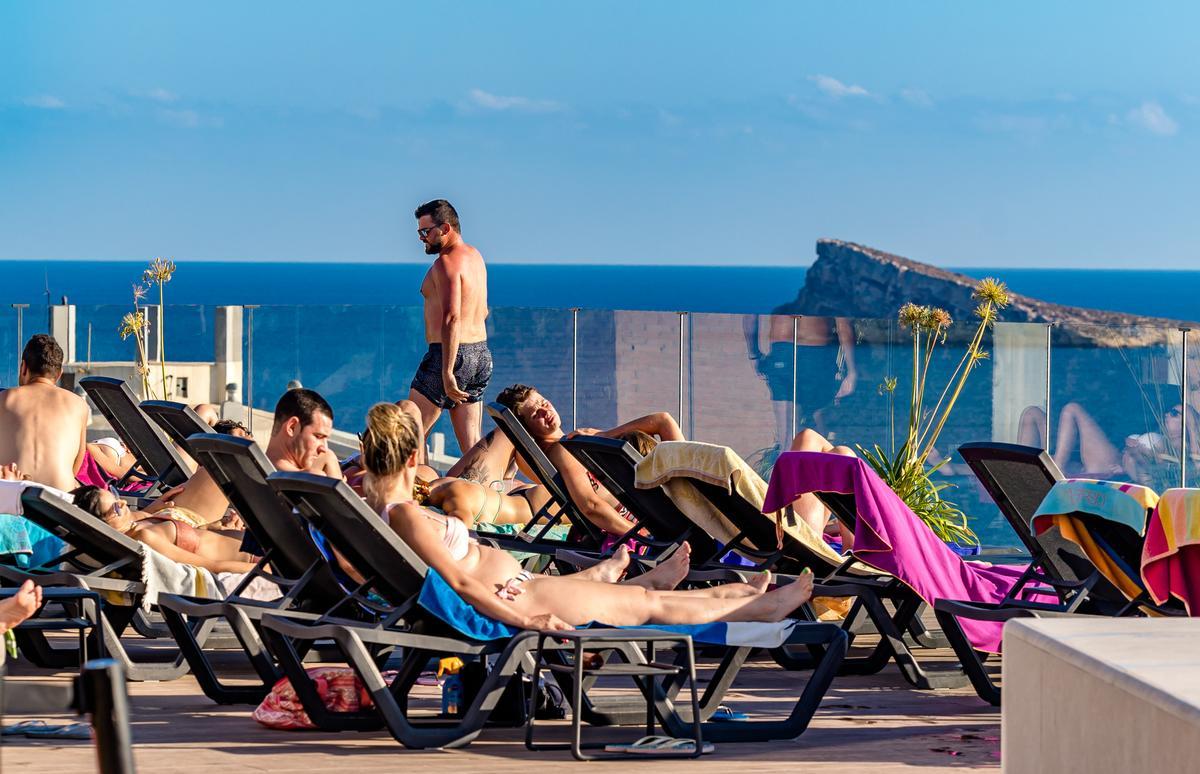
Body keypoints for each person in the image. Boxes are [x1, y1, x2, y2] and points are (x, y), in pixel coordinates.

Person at [357, 402, 810, 630]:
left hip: (522, 588)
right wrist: (527, 623)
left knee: (641, 597)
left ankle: (733, 593)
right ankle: (760, 608)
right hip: (518, 600)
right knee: (645, 607)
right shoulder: (406, 517)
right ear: (414, 454)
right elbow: (460, 584)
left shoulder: (387, 512)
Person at [497, 383, 685, 544]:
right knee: (642, 438)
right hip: (655, 520)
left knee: (641, 439)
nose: (546, 411)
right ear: (528, 429)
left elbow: (663, 420)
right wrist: (644, 536)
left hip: (653, 512)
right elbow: (591, 506)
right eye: (536, 414)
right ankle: (693, 488)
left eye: (544, 403)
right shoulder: (563, 451)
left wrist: (604, 435)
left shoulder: (568, 446)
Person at [408, 199, 491, 460]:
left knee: (411, 433)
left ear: (445, 228)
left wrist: (447, 371)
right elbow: (484, 309)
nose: (422, 238)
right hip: (480, 354)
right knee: (472, 446)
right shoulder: (475, 256)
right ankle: (491, 491)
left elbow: (452, 317)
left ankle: (414, 492)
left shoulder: (446, 263)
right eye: (419, 232)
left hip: (449, 355)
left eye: (426, 231)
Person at [72, 484, 257, 573]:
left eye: (115, 495)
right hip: (258, 558)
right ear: (101, 527)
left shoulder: (137, 526)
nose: (123, 502)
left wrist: (211, 527)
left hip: (251, 542)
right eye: (116, 507)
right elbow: (212, 567)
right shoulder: (145, 537)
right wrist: (264, 571)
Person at [743, 308, 857, 445]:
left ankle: (788, 461)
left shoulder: (773, 285)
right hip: (817, 354)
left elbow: (751, 313)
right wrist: (852, 371)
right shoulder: (825, 286)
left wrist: (754, 354)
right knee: (820, 439)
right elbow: (844, 325)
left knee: (787, 438)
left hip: (783, 353)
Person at [0, 335, 89, 492]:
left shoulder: (4, 399)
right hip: (59, 502)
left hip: (14, 495)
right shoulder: (79, 405)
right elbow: (77, 461)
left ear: (23, 367)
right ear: (59, 373)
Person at [264, 388, 341, 477]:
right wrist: (331, 462)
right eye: (318, 436)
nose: (324, 448)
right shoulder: (313, 480)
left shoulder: (250, 468)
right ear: (292, 427)